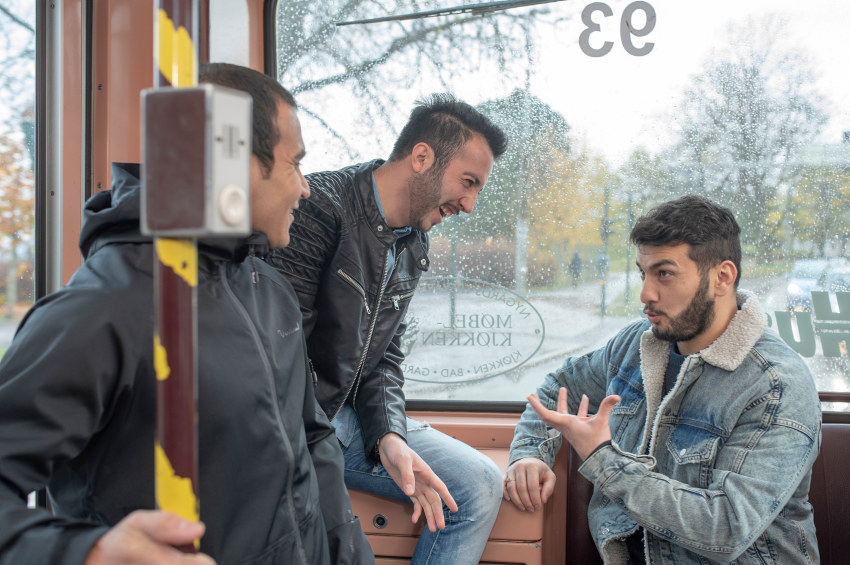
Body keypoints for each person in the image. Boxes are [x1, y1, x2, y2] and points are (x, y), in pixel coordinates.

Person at [0, 63, 373, 565]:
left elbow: (311, 436)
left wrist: (347, 549)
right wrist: (89, 553)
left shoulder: (269, 290)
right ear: (235, 164)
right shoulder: (104, 309)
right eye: (294, 165)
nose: (304, 188)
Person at [504, 195, 821, 564]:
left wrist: (602, 460)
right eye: (643, 272)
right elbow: (557, 387)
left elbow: (726, 528)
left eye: (664, 274)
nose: (645, 294)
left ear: (722, 277)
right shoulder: (634, 345)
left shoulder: (777, 386)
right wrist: (528, 455)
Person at [269, 94, 508, 564]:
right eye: (468, 182)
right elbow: (279, 356)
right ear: (422, 157)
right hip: (301, 416)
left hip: (348, 416)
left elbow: (383, 359)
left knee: (478, 485)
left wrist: (389, 437)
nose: (471, 204)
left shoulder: (412, 244)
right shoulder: (321, 211)